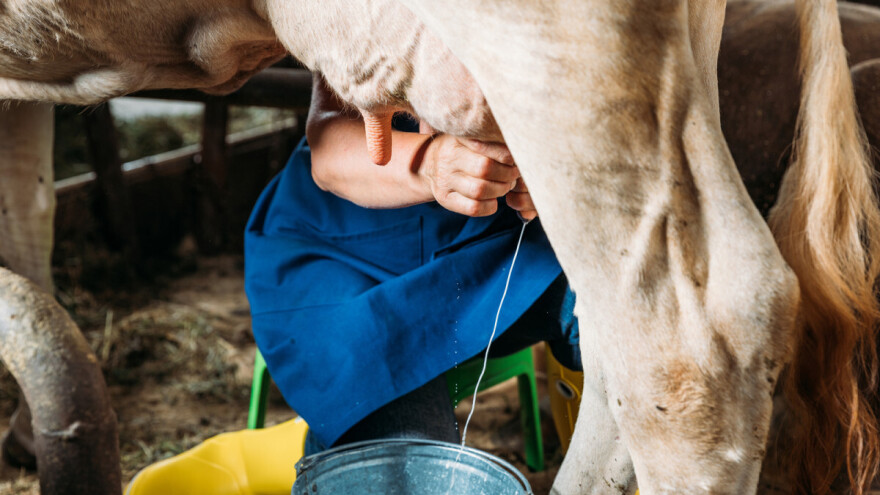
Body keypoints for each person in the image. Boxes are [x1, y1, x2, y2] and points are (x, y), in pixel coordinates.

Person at [244, 74, 581, 452]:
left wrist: (551, 177)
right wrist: (430, 163)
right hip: (345, 250)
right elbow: (329, 143)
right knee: (402, 468)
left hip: (497, 244)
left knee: (611, 308)